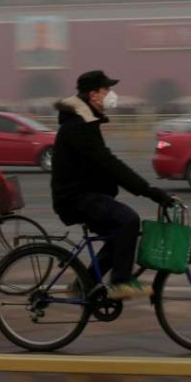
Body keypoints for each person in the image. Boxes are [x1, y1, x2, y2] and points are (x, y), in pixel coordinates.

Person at [51, 70, 175, 300]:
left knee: (120, 233)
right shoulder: (79, 126)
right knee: (128, 220)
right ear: (93, 95)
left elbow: (103, 165)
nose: (110, 94)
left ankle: (83, 284)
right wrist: (150, 192)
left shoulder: (85, 121)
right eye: (106, 89)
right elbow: (109, 164)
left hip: (82, 194)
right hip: (75, 198)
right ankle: (120, 282)